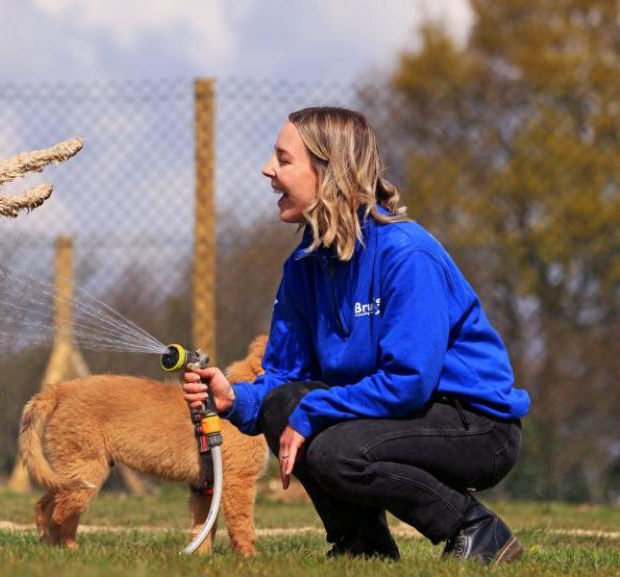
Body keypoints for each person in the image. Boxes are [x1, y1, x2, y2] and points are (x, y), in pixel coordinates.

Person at [182, 107, 530, 564]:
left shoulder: (406, 255)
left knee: (334, 452)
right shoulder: (303, 265)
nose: (268, 169)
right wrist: (235, 400)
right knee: (282, 403)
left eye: (283, 160)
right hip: (400, 412)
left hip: (474, 424)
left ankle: (477, 531)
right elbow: (286, 377)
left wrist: (316, 410)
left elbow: (409, 381)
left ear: (329, 173)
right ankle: (362, 548)